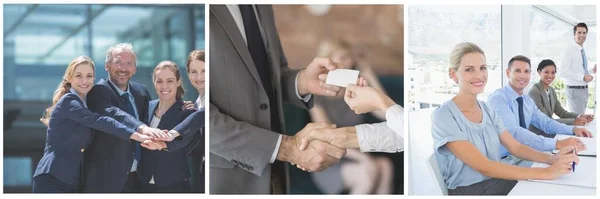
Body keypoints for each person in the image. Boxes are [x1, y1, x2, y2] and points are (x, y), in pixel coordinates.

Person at [209, 5, 346, 194]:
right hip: (225, 180)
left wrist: (302, 81)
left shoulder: (262, 7)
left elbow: (269, 78)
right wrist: (285, 148)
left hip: (276, 175)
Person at [432, 42, 579, 195]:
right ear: (453, 74)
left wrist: (551, 159)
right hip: (471, 190)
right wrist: (547, 172)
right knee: (544, 184)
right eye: (469, 69)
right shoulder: (443, 115)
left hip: (495, 179)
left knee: (551, 182)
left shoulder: (487, 109)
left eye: (483, 68)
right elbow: (485, 167)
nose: (479, 75)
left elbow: (516, 147)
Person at [32, 56, 155, 193]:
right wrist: (135, 135)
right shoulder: (69, 101)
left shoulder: (84, 103)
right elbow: (100, 121)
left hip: (73, 180)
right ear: (69, 77)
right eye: (79, 76)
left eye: (89, 76)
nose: (85, 81)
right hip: (53, 177)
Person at [306, 39, 393, 194]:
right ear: (329, 63)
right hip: (329, 158)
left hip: (357, 155)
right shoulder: (316, 95)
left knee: (385, 166)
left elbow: (386, 113)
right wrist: (363, 158)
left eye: (350, 57)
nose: (349, 62)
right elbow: (326, 136)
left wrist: (370, 76)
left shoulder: (355, 90)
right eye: (343, 57)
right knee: (366, 173)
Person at [82, 43, 169, 193]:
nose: (123, 68)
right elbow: (114, 113)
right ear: (107, 66)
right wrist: (141, 128)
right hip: (107, 182)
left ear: (134, 68)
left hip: (140, 178)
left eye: (129, 64)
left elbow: (155, 114)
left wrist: (180, 105)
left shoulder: (141, 91)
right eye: (118, 62)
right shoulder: (97, 91)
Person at [487, 55, 592, 167]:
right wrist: (558, 143)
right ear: (508, 73)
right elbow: (514, 133)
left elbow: (545, 122)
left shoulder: (527, 100)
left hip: (524, 154)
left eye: (526, 71)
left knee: (566, 165)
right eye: (518, 71)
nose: (523, 75)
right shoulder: (498, 99)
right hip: (502, 160)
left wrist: (573, 130)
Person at [136, 61, 197, 193]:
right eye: (159, 81)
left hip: (174, 185)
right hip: (144, 184)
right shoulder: (147, 107)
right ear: (154, 82)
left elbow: (183, 142)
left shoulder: (187, 112)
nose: (164, 86)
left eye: (170, 81)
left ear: (178, 82)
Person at [298, 78, 403, 153]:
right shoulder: (318, 98)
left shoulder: (355, 93)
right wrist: (344, 136)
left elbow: (405, 130)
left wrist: (378, 100)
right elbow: (403, 130)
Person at [528, 59, 594, 136]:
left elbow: (561, 112)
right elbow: (546, 120)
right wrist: (574, 121)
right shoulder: (534, 92)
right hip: (539, 133)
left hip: (549, 129)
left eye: (553, 72)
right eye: (546, 72)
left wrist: (579, 116)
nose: (550, 75)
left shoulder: (551, 90)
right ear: (539, 72)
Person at [558, 22, 597, 114]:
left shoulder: (581, 50)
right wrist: (582, 77)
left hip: (584, 89)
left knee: (581, 118)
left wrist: (591, 71)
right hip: (575, 90)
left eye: (584, 33)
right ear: (574, 34)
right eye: (579, 32)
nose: (582, 35)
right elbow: (563, 72)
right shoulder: (569, 50)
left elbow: (580, 70)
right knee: (579, 120)